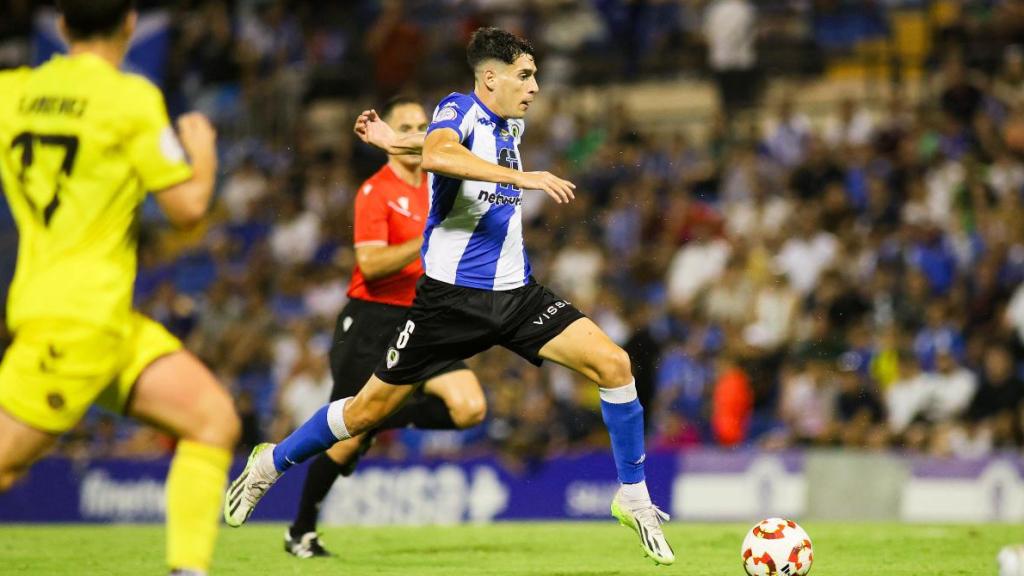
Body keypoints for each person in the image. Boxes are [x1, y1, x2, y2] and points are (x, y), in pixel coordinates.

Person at [225, 27, 675, 566]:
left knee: (615, 364)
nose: (534, 86)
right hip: (448, 304)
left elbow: (435, 146)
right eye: (525, 75)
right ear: (491, 77)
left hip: (516, 296)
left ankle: (633, 496)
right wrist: (522, 176)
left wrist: (395, 142)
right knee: (366, 411)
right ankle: (270, 463)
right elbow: (440, 153)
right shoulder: (457, 106)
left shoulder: (509, 123)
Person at [0, 2, 238, 575]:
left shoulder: (11, 92)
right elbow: (187, 209)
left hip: (88, 315)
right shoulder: (129, 99)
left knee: (213, 419)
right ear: (129, 23)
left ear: (61, 26)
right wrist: (202, 151)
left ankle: (189, 569)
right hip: (78, 321)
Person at [282, 96, 486, 558]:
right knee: (348, 437)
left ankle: (380, 416)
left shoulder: (437, 185)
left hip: (423, 317)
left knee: (470, 407)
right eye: (407, 125)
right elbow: (371, 264)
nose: (417, 133)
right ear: (389, 136)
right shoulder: (375, 191)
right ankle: (301, 529)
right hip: (371, 321)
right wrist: (427, 239)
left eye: (423, 125)